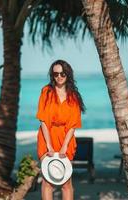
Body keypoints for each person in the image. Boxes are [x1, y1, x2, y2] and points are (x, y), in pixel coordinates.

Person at [36, 59, 85, 200]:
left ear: (68, 74)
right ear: (52, 75)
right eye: (55, 74)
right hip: (46, 138)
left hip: (66, 139)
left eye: (62, 74)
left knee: (66, 182)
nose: (59, 77)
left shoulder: (73, 96)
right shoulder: (46, 92)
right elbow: (43, 120)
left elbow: (72, 125)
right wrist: (49, 146)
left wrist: (64, 147)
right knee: (47, 182)